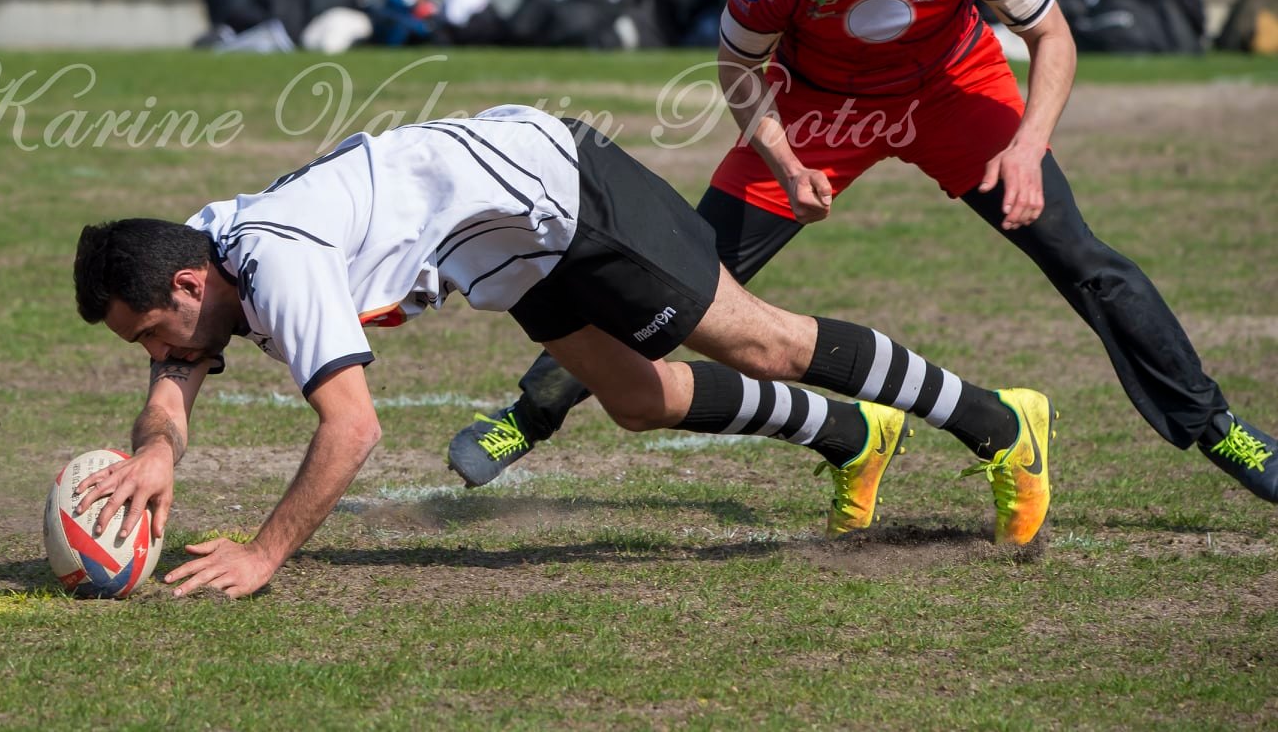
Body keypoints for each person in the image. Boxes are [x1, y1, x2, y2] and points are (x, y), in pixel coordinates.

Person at [448, 0, 1278, 505]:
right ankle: (534, 409)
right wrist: (781, 161)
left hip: (957, 92)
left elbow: (1048, 34)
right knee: (679, 269)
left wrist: (1029, 146)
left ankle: (1220, 430)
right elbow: (737, 65)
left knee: (1085, 259)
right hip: (821, 109)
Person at [71, 105, 1058, 600]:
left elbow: (353, 429)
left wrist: (264, 553)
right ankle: (853, 437)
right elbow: (176, 372)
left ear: (191, 287)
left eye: (153, 328)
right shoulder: (201, 241)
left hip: (563, 195)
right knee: (637, 400)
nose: (160, 352)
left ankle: (1001, 423)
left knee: (762, 340)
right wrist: (157, 448)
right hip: (502, 243)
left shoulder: (274, 264)